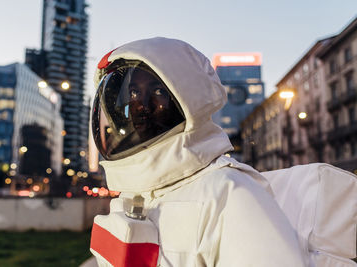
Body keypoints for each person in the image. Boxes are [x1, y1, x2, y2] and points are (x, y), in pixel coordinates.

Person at [90, 37, 307, 266]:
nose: (141, 104)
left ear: (189, 101)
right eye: (133, 92)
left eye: (158, 91)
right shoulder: (134, 192)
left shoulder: (230, 194)